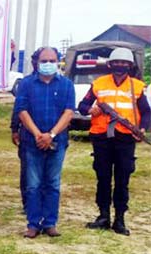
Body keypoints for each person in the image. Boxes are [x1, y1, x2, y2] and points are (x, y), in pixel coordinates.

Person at [78, 47, 150, 236]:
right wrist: (89, 110)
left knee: (122, 179)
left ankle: (119, 219)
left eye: (124, 63)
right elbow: (83, 105)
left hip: (126, 138)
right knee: (102, 177)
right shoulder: (99, 84)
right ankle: (103, 216)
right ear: (110, 65)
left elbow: (147, 112)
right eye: (117, 62)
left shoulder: (137, 86)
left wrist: (141, 128)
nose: (120, 66)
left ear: (130, 66)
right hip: (102, 136)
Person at [15, 47, 75, 238]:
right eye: (44, 61)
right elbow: (22, 111)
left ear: (58, 62)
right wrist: (38, 135)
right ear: (37, 62)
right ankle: (33, 224)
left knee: (53, 184)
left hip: (57, 142)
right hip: (32, 142)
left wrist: (51, 134)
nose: (48, 64)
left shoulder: (66, 85)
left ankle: (50, 223)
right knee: (33, 185)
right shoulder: (26, 84)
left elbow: (68, 112)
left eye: (52, 60)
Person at [10, 49, 40, 213]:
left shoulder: (61, 83)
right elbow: (18, 108)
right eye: (38, 61)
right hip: (27, 133)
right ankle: (27, 204)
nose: (42, 64)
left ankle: (43, 203)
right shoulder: (26, 83)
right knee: (27, 170)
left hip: (51, 134)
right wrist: (14, 129)